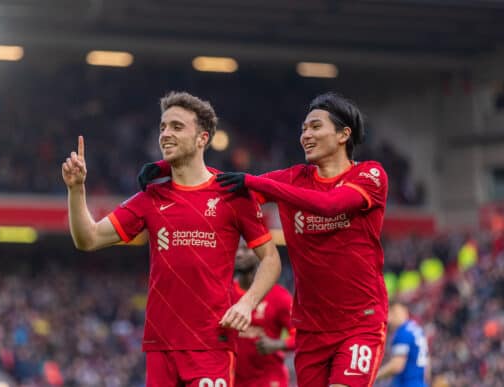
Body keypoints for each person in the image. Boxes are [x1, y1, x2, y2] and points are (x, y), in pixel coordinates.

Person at [138, 92, 389, 387]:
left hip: (361, 322)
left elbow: (330, 204)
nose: (306, 135)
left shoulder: (369, 174)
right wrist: (171, 167)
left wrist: (258, 183)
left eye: (315, 127)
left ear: (344, 134)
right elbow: (224, 191)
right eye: (303, 129)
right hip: (310, 328)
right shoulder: (295, 177)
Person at [62, 91, 281, 387]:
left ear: (203, 138)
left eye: (177, 127)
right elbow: (87, 239)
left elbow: (271, 259)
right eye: (163, 127)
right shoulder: (151, 198)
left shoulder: (232, 194)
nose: (165, 134)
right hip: (160, 345)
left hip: (210, 344)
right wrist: (76, 190)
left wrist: (246, 304)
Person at [233, 243, 294, 387]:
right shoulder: (226, 294)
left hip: (269, 380)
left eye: (245, 249)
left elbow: (300, 335)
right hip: (235, 380)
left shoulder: (279, 296)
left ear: (259, 254)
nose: (239, 254)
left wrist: (277, 344)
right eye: (237, 250)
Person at [376, 302, 430, 387]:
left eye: (394, 313)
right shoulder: (418, 329)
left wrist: (376, 375)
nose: (390, 318)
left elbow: (397, 365)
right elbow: (427, 365)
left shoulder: (403, 332)